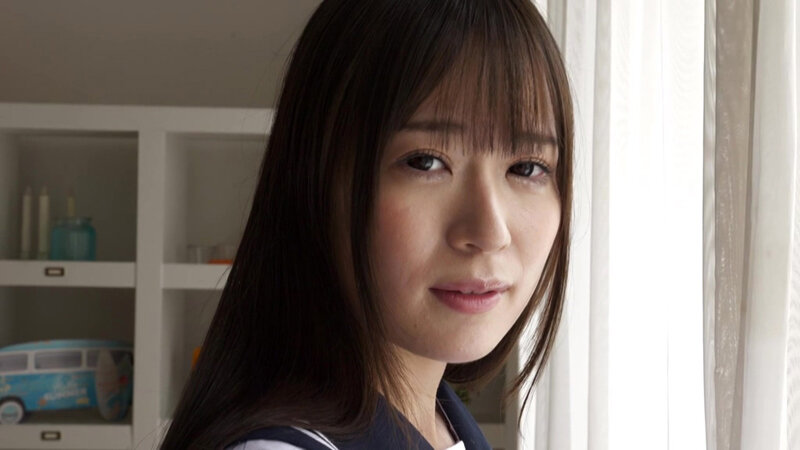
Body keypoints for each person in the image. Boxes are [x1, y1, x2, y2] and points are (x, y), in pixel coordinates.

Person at [159, 0, 573, 448]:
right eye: (425, 162)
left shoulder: (443, 424)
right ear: (316, 177)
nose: (490, 232)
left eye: (527, 168)